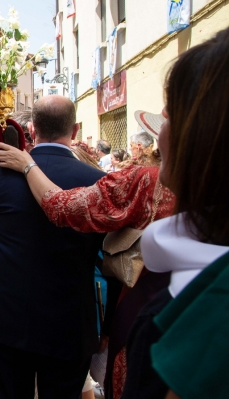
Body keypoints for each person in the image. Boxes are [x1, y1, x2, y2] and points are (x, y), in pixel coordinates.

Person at [0, 95, 106, 399]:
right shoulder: (98, 180)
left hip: (6, 314)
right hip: (68, 317)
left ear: (31, 129)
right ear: (75, 130)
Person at [132, 28, 229, 399]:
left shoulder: (209, 320)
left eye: (170, 114)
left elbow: (73, 210)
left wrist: (29, 168)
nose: (159, 135)